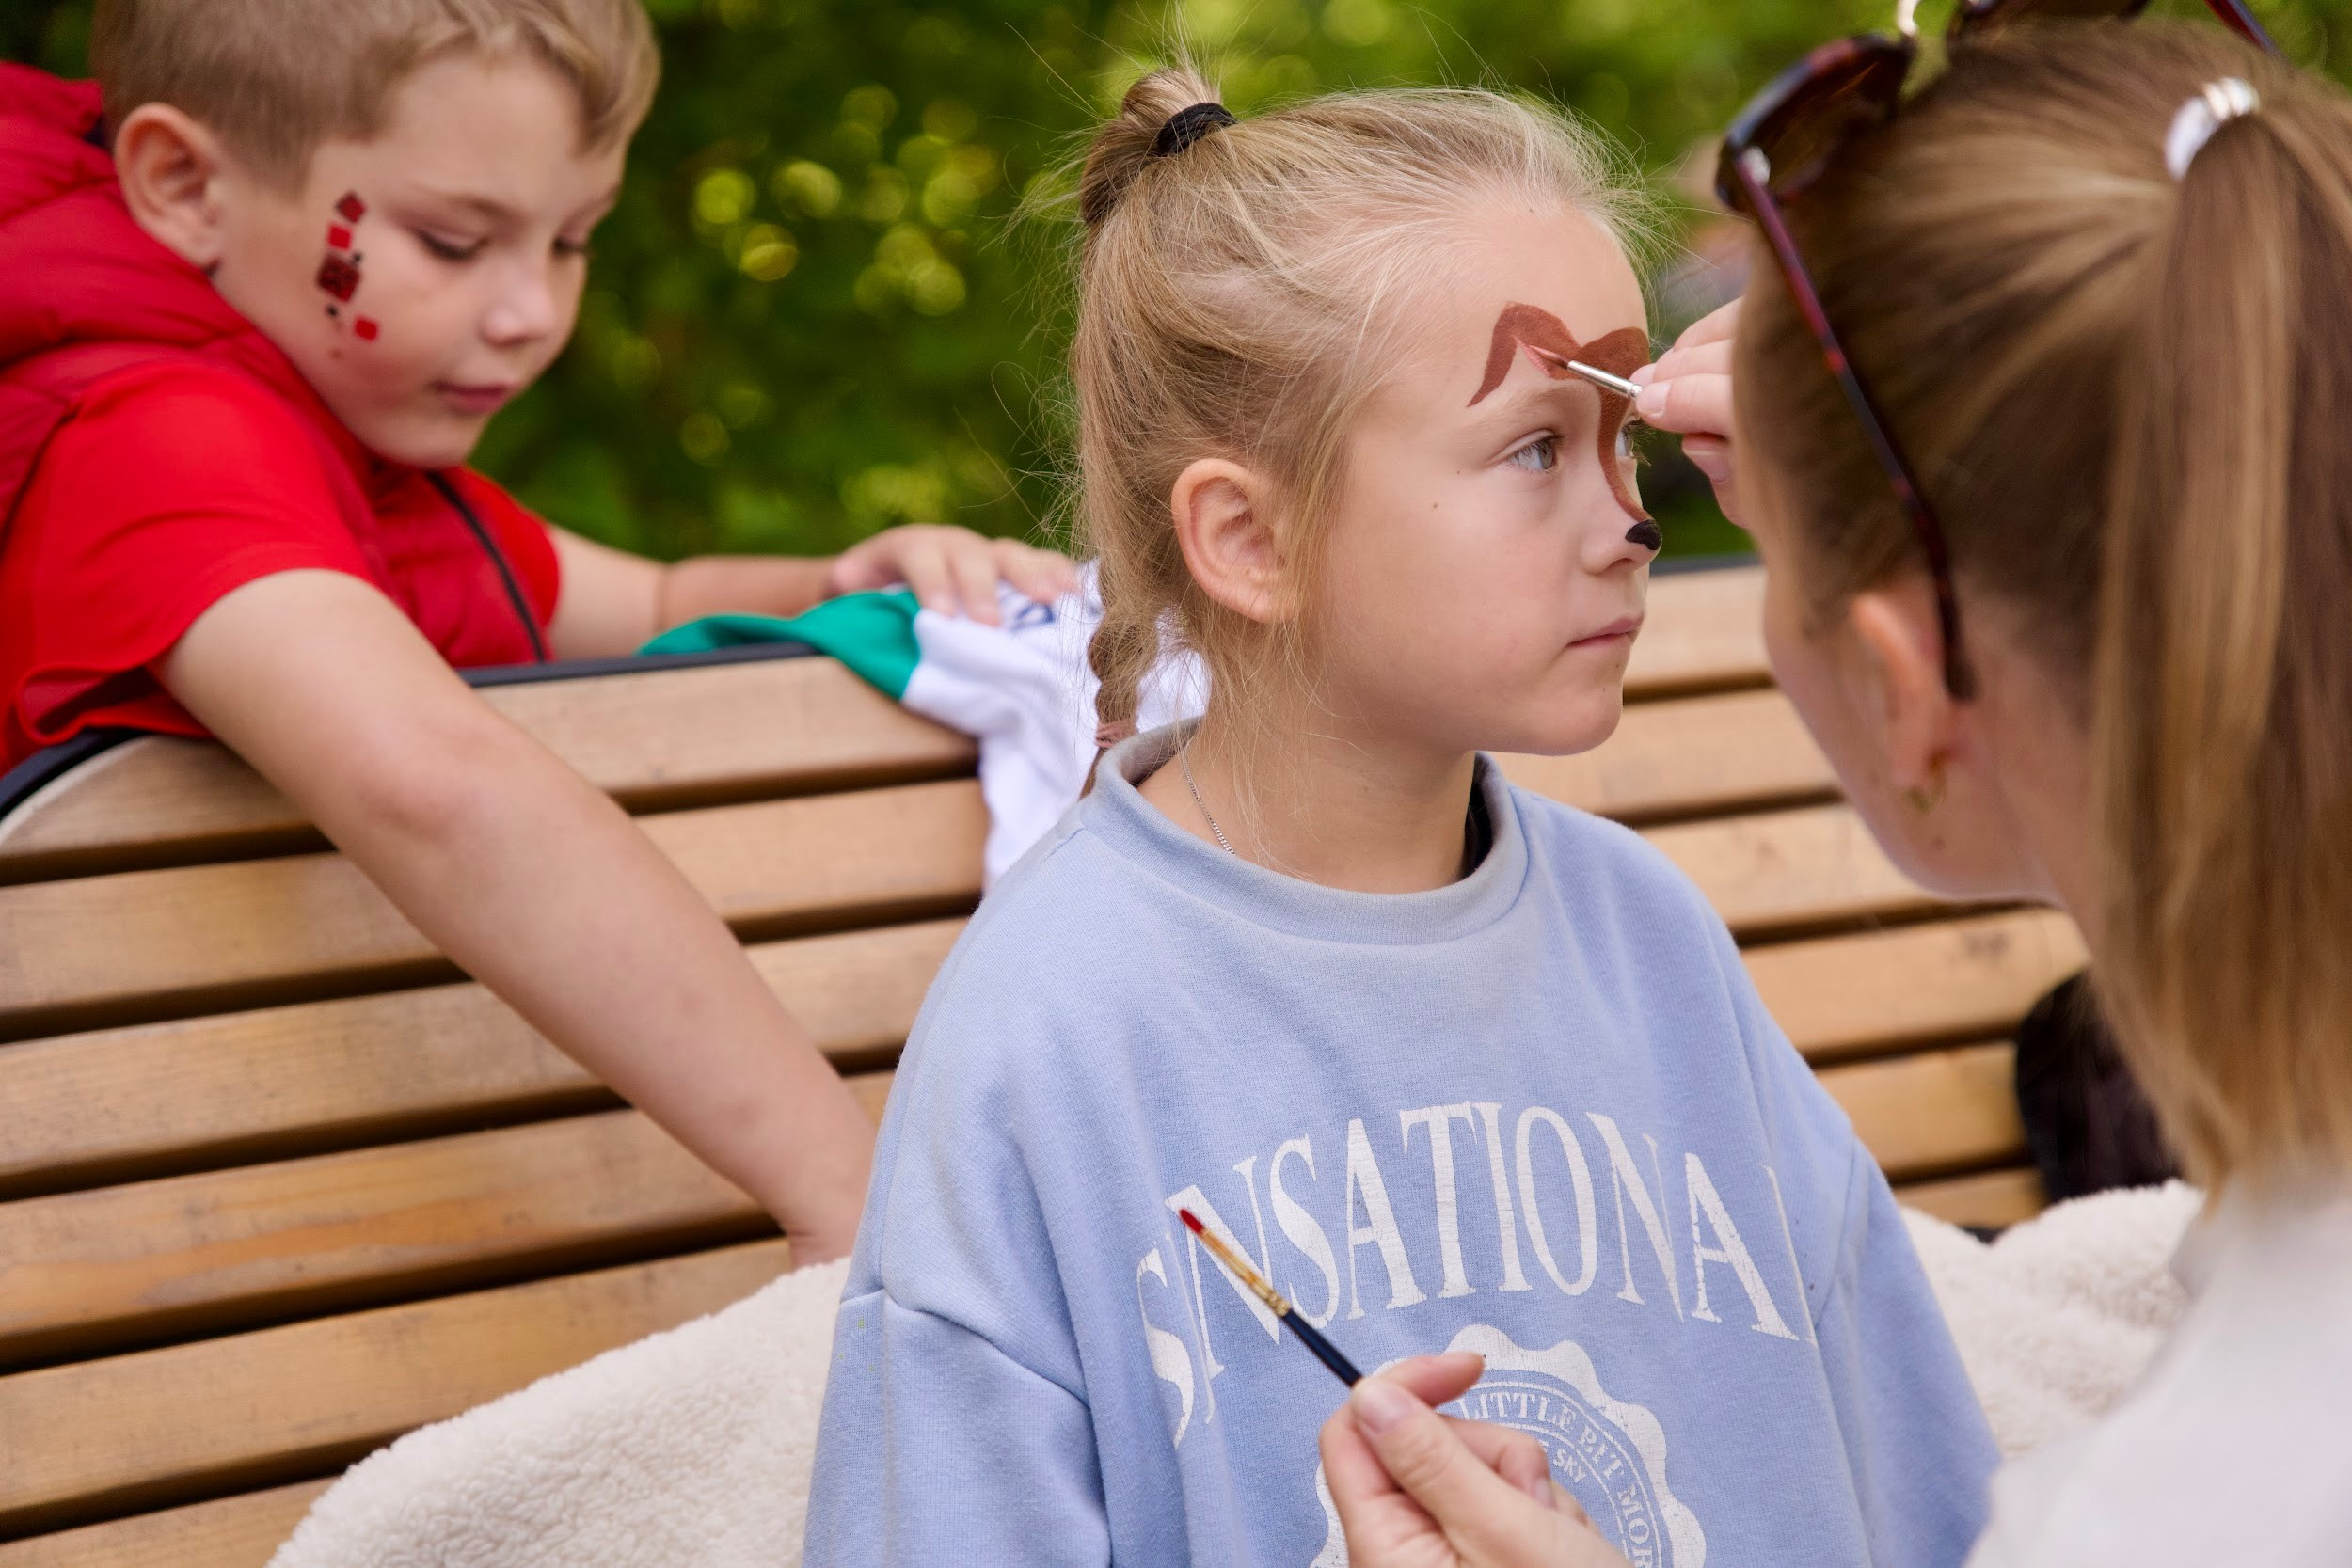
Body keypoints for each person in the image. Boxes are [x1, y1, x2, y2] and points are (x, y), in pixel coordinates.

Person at [801, 69, 1995, 1567]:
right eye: (1537, 448)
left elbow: (1947, 1516)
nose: (1634, 522)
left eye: (1623, 442)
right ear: (1248, 536)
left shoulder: (1652, 941)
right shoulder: (1048, 1035)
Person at [1321, 19, 2352, 1568]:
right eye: (1540, 446)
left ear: (1906, 682)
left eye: (1781, 561)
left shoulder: (2176, 1514)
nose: (1638, 525)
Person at [0, 1, 1073, 1259]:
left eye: (571, 241)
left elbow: (645, 604)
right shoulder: (156, 445)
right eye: (454, 242)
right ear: (184, 184)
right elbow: (437, 786)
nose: (530, 312)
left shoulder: (319, 422)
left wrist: (843, 570)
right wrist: (854, 1202)